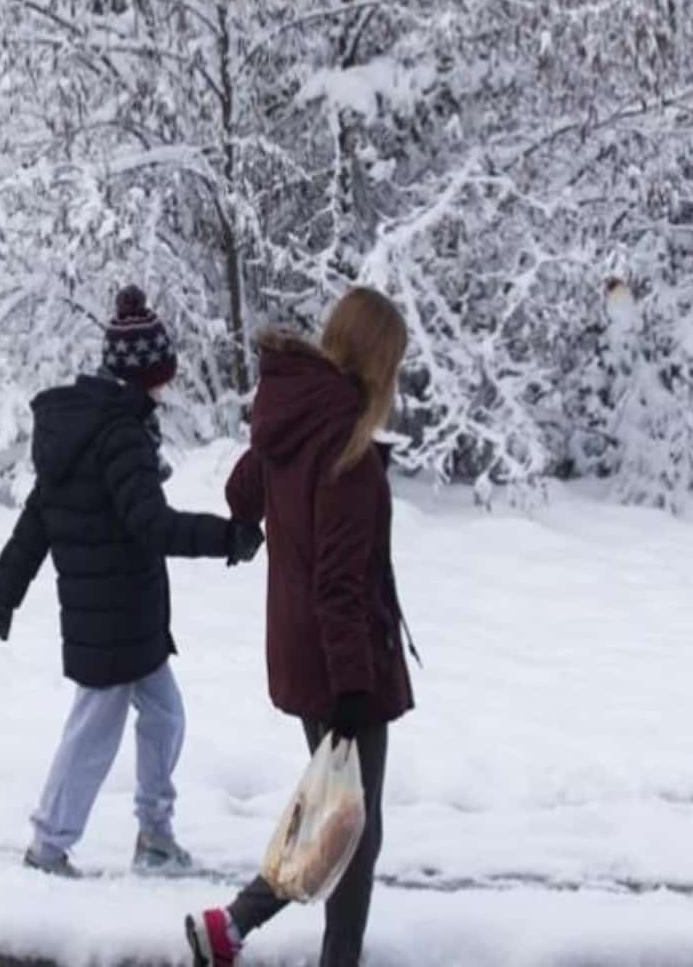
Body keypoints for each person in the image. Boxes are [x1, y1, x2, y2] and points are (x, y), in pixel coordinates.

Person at [0, 285, 265, 878]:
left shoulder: (87, 432)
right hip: (113, 620)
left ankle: (155, 837)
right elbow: (151, 525)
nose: (167, 388)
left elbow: (36, 521)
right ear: (147, 377)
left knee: (165, 717)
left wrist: (2, 596)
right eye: (163, 378)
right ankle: (48, 848)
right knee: (94, 733)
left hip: (125, 617)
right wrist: (227, 539)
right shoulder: (117, 436)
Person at [186, 286, 417, 967]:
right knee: (350, 827)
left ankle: (230, 929)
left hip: (301, 651)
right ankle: (253, 932)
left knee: (336, 815)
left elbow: (240, 497)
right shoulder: (342, 444)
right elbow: (339, 584)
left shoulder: (297, 419)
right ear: (379, 359)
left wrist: (276, 463)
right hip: (340, 663)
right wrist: (352, 687)